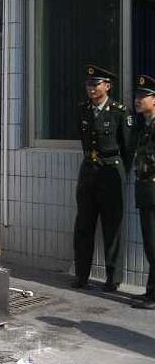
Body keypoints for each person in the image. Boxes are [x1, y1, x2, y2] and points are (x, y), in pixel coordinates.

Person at [72, 64, 135, 291]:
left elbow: (128, 149)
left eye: (96, 84)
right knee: (83, 225)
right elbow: (84, 139)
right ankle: (81, 276)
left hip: (111, 173)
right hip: (89, 171)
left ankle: (112, 279)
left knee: (112, 227)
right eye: (88, 84)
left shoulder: (119, 112)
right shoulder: (83, 109)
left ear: (107, 86)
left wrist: (118, 172)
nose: (91, 88)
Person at [131, 74, 155, 310]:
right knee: (150, 244)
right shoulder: (146, 125)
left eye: (143, 96)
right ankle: (151, 291)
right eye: (137, 96)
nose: (138, 100)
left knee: (153, 245)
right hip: (146, 191)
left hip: (153, 190)